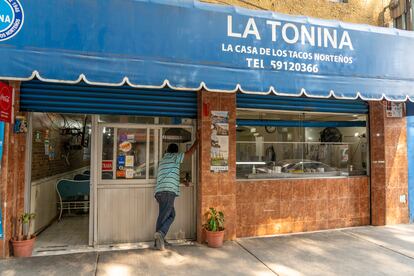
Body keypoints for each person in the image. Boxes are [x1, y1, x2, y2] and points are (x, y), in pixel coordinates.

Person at [154, 133, 199, 250]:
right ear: (176, 152)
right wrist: (197, 141)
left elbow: (169, 175)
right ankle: (161, 235)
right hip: (167, 192)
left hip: (160, 192)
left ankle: (159, 240)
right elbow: (189, 153)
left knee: (168, 215)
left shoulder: (164, 160)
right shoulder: (174, 157)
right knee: (166, 216)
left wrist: (182, 181)